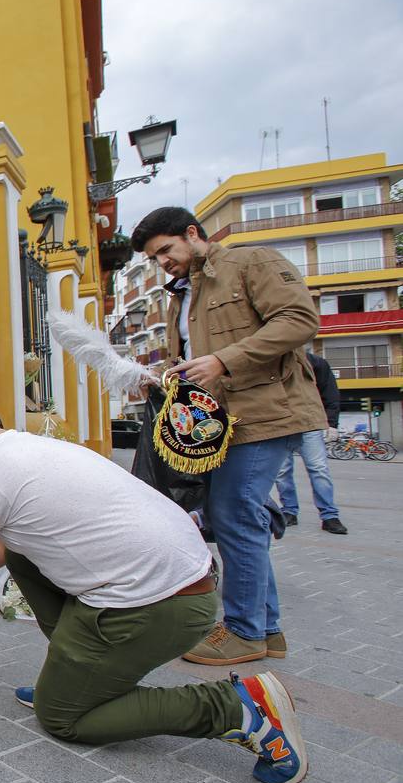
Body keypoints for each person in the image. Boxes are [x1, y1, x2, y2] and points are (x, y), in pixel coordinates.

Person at [0, 397, 308, 783]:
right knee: (23, 552)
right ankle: (73, 673)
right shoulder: (33, 447)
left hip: (161, 604)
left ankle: (238, 707)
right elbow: (3, 549)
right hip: (185, 577)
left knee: (62, 717)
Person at [132, 207, 324, 667]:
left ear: (192, 234)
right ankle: (267, 629)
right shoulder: (184, 294)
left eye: (166, 251)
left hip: (263, 413)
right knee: (241, 519)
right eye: (155, 258)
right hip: (218, 425)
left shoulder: (250, 263)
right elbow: (196, 359)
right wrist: (160, 376)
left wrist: (224, 361)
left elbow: (300, 319)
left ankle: (243, 631)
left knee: (235, 515)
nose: (163, 263)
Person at [274, 349, 347, 534]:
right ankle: (289, 511)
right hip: (280, 425)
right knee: (282, 472)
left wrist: (331, 424)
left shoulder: (316, 363)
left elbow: (330, 393)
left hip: (310, 424)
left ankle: (329, 515)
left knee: (319, 469)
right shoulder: (270, 361)